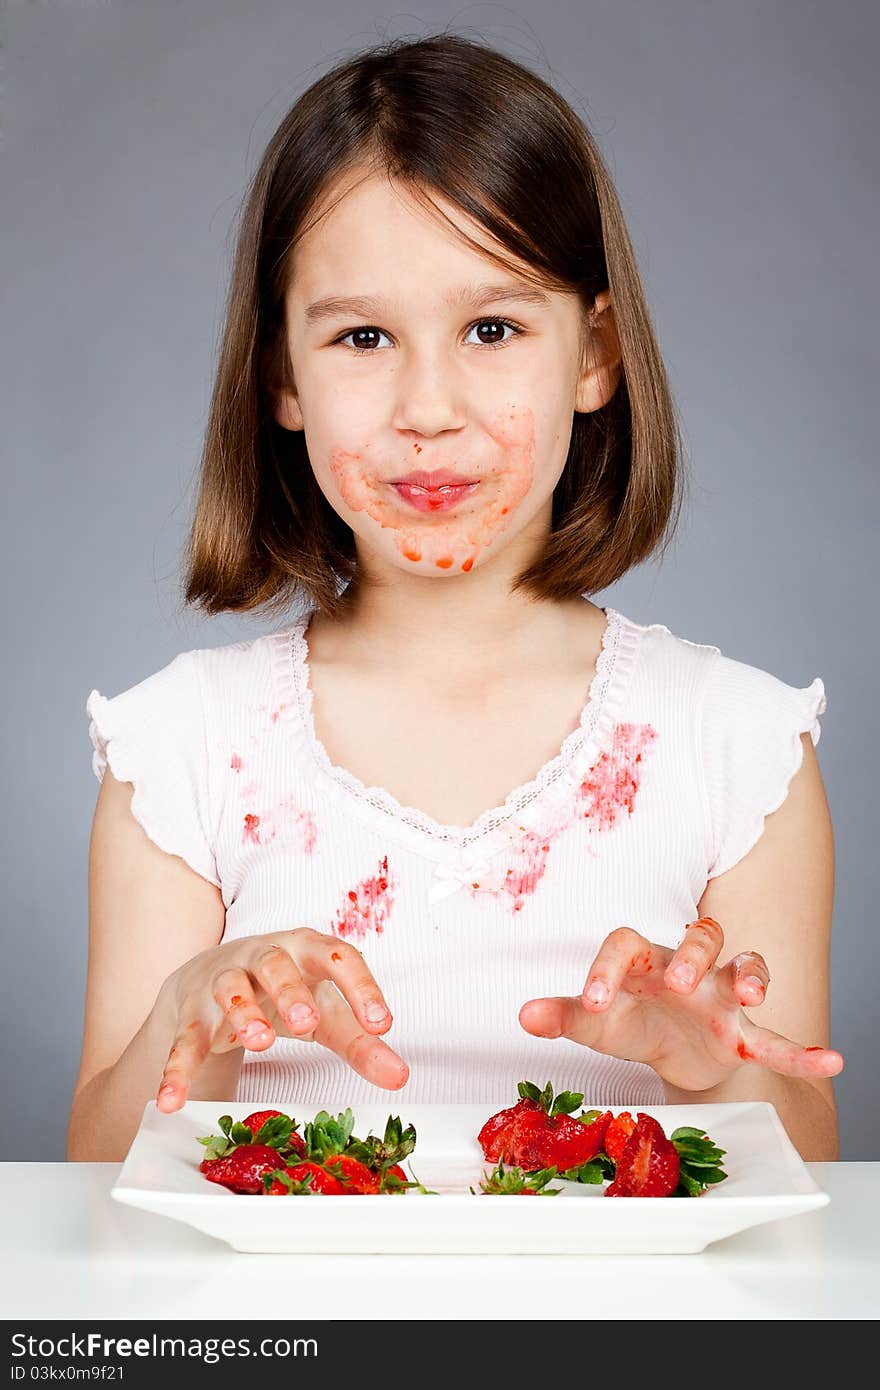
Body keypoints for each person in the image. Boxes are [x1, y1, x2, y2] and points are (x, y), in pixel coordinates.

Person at [67, 33, 843, 1165]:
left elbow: (809, 1177)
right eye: (363, 336)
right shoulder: (180, 746)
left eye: (491, 329)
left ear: (594, 355)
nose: (427, 406)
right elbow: (90, 1176)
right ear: (281, 376)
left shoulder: (735, 745)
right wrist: (194, 1016)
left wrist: (708, 1062)